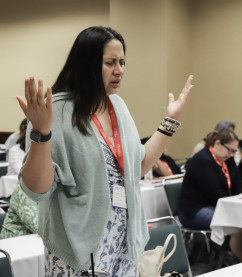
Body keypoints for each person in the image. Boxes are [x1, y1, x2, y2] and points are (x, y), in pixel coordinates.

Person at [16, 26, 194, 276]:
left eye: (122, 62)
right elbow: (37, 189)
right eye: (110, 63)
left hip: (122, 244)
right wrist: (42, 133)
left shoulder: (117, 105)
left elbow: (138, 167)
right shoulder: (55, 111)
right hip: (79, 250)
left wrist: (170, 121)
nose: (119, 70)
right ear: (86, 64)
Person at [179, 129, 242, 261]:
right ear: (217, 143)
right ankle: (233, 259)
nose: (232, 154)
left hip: (217, 205)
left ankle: (235, 258)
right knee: (237, 221)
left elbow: (237, 185)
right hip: (194, 210)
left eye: (234, 151)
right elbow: (214, 194)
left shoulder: (227, 159)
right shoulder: (202, 160)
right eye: (230, 150)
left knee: (238, 221)